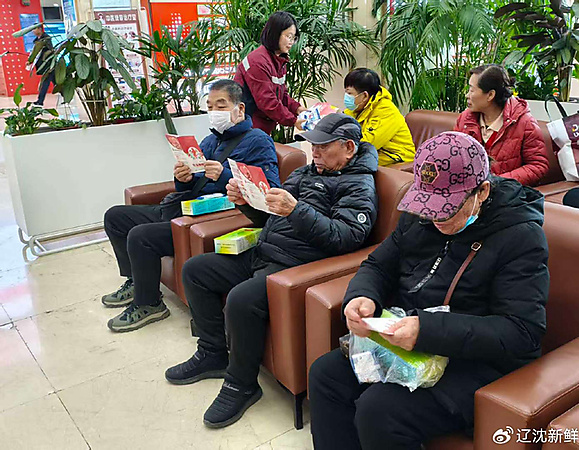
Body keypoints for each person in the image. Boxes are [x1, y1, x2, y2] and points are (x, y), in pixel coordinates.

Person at [309, 131, 549, 449]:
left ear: (482, 191)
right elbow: (379, 265)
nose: (435, 217)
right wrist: (362, 296)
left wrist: (427, 330)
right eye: (429, 206)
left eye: (447, 208)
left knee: (379, 410)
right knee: (325, 375)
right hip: (411, 343)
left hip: (474, 361)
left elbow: (522, 330)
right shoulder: (420, 215)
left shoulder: (520, 236)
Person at [165, 113, 379, 428]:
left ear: (348, 148)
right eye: (312, 145)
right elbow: (270, 216)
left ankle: (241, 385)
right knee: (196, 270)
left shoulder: (359, 183)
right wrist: (246, 203)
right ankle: (213, 352)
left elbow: (346, 237)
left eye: (323, 146)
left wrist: (296, 210)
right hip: (264, 252)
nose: (315, 152)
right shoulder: (305, 172)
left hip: (297, 266)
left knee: (241, 299)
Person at [102, 79, 280, 332]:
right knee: (115, 217)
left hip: (209, 217)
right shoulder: (210, 141)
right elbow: (191, 185)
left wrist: (225, 176)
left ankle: (149, 304)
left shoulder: (258, 141)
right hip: (182, 208)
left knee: (141, 236)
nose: (214, 112)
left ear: (239, 109)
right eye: (210, 106)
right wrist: (182, 178)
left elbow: (269, 190)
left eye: (221, 106)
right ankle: (136, 281)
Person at [454, 64, 549, 186]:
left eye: (472, 90)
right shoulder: (465, 119)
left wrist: (497, 182)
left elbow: (538, 166)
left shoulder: (524, 123)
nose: (467, 95)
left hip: (505, 193)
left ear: (490, 95)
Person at [234, 11, 306, 135]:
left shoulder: (279, 60)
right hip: (247, 127)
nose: (291, 42)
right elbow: (267, 101)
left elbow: (282, 95)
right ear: (275, 34)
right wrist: (293, 121)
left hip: (261, 128)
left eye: (293, 38)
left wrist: (298, 108)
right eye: (288, 36)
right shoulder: (258, 61)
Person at [343, 68, 415, 165]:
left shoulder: (386, 110)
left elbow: (369, 143)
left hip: (396, 156)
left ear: (364, 96)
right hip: (376, 153)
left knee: (346, 163)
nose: (346, 97)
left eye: (349, 93)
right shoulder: (356, 108)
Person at [27, 25, 55, 107]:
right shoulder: (36, 40)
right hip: (42, 65)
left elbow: (50, 50)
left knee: (45, 83)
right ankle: (66, 96)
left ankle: (40, 101)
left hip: (48, 65)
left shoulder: (46, 38)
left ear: (40, 29)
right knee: (55, 81)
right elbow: (35, 52)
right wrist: (30, 61)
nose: (33, 31)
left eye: (34, 29)